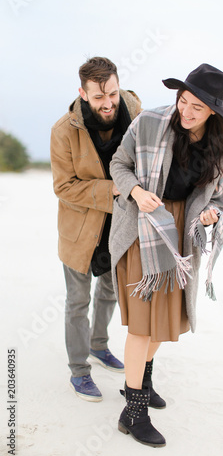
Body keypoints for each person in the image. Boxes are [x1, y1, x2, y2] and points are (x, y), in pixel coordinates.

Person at [109, 63, 223, 446]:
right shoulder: (150, 122)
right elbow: (118, 165)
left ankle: (142, 380)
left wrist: (210, 213)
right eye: (183, 101)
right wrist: (135, 191)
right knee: (142, 323)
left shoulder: (221, 145)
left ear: (213, 113)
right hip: (141, 226)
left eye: (196, 108)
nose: (185, 111)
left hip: (180, 233)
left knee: (163, 321)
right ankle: (133, 412)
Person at [50, 57, 142, 402]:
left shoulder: (133, 107)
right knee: (77, 301)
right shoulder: (62, 131)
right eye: (99, 97)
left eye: (113, 94)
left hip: (120, 224)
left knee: (110, 291)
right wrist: (113, 189)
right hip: (79, 231)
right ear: (82, 93)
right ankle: (79, 371)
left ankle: (99, 346)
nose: (108, 104)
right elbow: (64, 187)